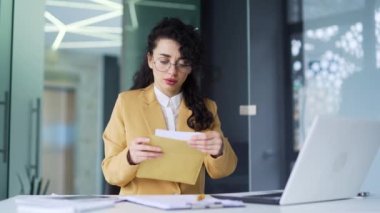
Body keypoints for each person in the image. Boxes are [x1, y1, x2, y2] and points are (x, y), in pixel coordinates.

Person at [101, 17, 237, 195]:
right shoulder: (127, 103)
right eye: (164, 61)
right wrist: (130, 157)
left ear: (190, 68)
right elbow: (110, 173)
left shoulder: (207, 108)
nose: (172, 71)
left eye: (182, 64)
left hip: (187, 207)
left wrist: (219, 151)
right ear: (150, 60)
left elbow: (221, 171)